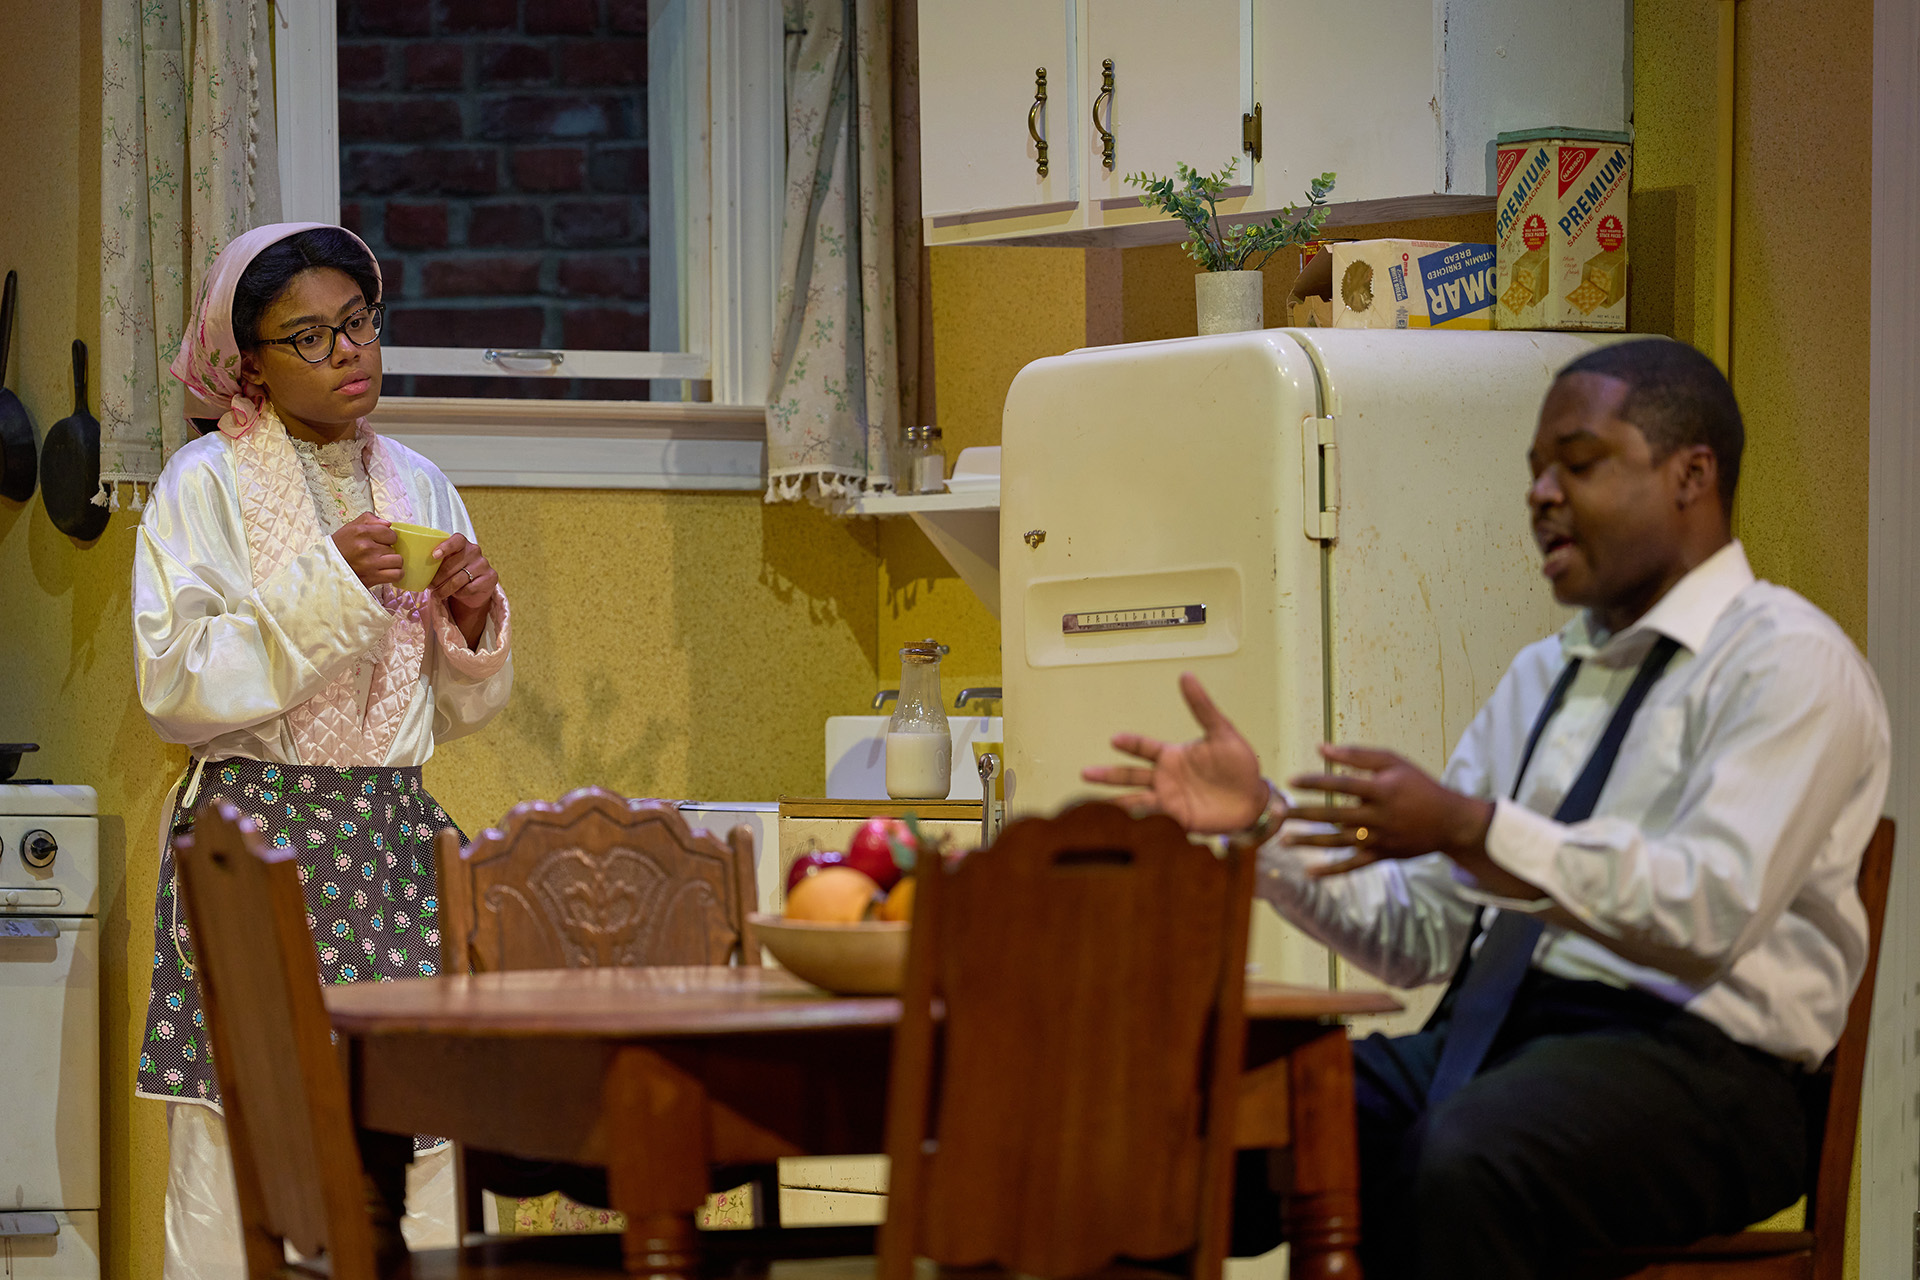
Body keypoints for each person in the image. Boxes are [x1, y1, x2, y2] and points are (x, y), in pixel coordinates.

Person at [1083, 339, 1889, 1280]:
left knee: (1464, 1159)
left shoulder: (1787, 661)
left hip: (1703, 1072)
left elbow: (1709, 910)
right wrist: (1262, 829)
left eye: (1578, 464)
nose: (1542, 493)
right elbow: (1422, 935)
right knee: (1180, 1130)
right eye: (1536, 470)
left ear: (1691, 475)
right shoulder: (1543, 678)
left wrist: (1473, 829)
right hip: (1490, 1039)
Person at [132, 222, 513, 1280]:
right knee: (243, 1130)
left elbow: (459, 709)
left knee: (429, 1126)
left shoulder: (422, 482)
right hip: (254, 842)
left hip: (395, 841)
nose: (348, 350)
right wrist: (330, 585)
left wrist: (474, 626)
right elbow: (174, 682)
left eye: (357, 322)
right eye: (310, 336)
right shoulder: (201, 484)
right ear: (247, 361)